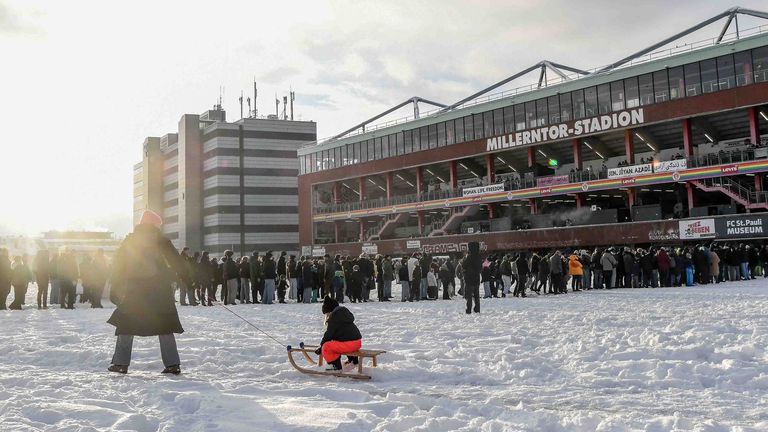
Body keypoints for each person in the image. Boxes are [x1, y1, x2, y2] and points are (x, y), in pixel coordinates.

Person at [107, 210, 188, 375]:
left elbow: (118, 265)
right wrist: (189, 279)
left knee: (126, 325)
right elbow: (177, 262)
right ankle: (172, 365)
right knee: (165, 324)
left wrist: (115, 286)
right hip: (159, 289)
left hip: (134, 289)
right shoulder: (161, 240)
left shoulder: (130, 241)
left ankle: (120, 363)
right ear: (155, 225)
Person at [315, 296, 362, 371]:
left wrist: (321, 347)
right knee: (337, 341)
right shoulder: (343, 313)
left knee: (326, 347)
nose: (326, 316)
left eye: (326, 314)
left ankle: (334, 365)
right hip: (357, 343)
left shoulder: (334, 317)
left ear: (330, 311)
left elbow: (328, 335)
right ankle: (353, 360)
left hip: (350, 345)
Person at [461, 242, 482, 314]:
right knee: (476, 296)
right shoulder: (479, 257)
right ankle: (477, 309)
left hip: (469, 279)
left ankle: (468, 309)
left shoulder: (469, 257)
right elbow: (480, 268)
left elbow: (463, 265)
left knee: (469, 296)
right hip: (476, 279)